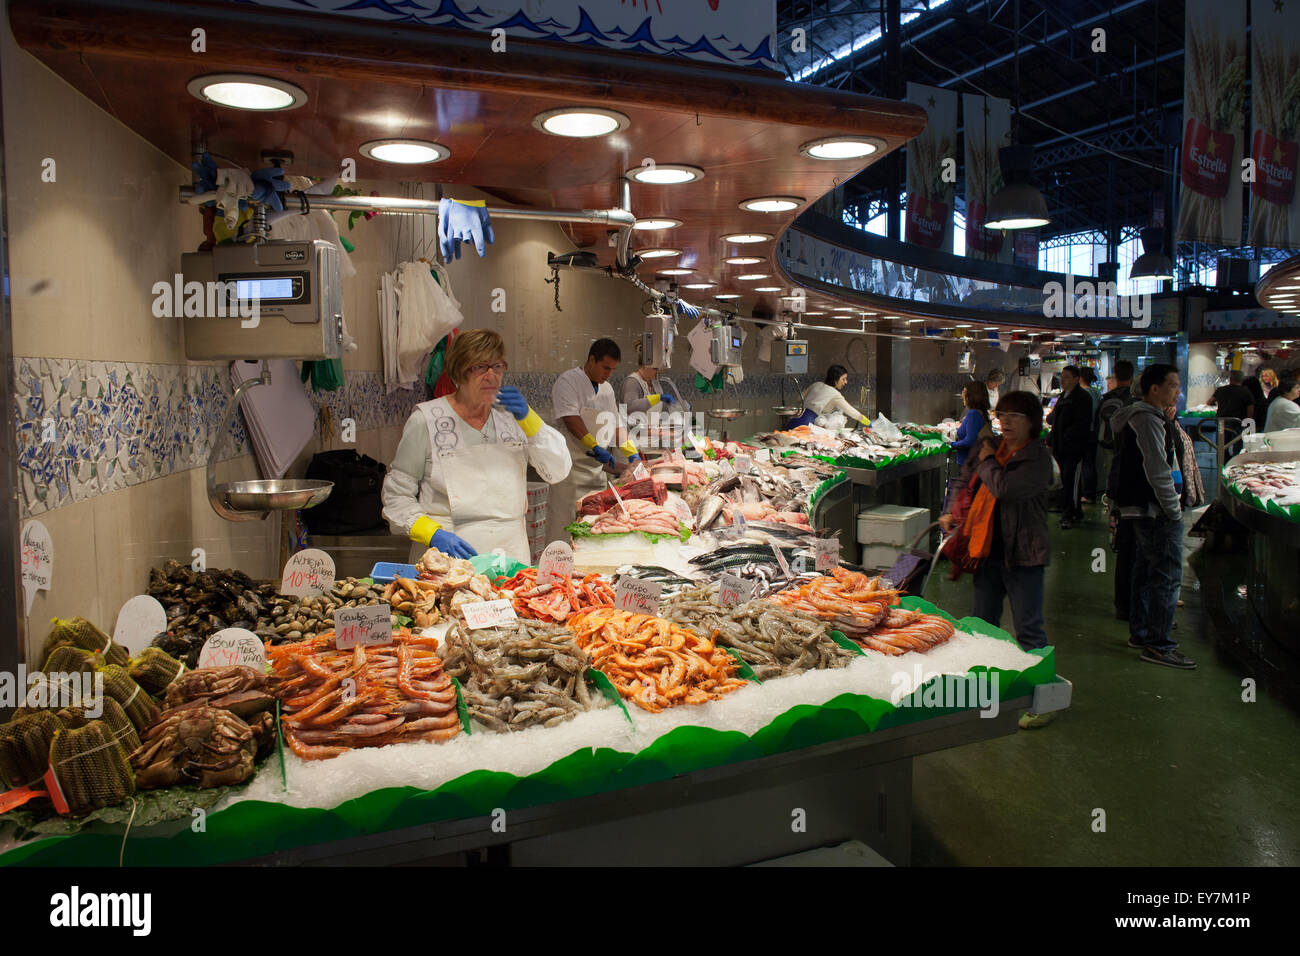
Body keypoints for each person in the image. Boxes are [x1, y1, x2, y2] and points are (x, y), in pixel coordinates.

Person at [381, 329, 571, 563]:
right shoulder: (427, 420)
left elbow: (558, 470)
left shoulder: (513, 420)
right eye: (480, 367)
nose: (491, 376)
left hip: (510, 557)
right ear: (459, 372)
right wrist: (431, 533)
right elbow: (396, 495)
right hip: (447, 560)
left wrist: (530, 420)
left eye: (498, 366)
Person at [938, 391, 1053, 728]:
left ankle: (1044, 701)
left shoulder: (1036, 458)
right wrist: (949, 510)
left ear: (1032, 421)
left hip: (1024, 556)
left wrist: (988, 459)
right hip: (985, 552)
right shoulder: (992, 448)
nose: (1006, 423)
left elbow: (1004, 488)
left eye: (1014, 417)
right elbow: (964, 479)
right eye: (1002, 415)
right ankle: (980, 694)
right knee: (982, 626)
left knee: (1029, 631)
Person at [1109, 363, 1196, 669]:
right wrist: (1173, 509)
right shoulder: (1146, 419)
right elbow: (1158, 468)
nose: (1178, 390)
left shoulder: (1146, 416)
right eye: (1173, 385)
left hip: (1144, 507)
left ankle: (1142, 633)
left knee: (1145, 571)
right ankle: (1158, 645)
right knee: (1166, 576)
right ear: (1154, 389)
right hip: (1154, 509)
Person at [548, 338, 642, 544]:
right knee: (565, 528)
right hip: (569, 472)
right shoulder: (569, 382)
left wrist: (631, 453)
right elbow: (571, 420)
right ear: (592, 359)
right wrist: (594, 446)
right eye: (605, 368)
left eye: (612, 369)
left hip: (596, 471)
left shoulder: (606, 389)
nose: (608, 374)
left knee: (593, 527)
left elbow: (616, 425)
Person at [1099, 360, 1138, 621]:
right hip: (1135, 500)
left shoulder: (1111, 402)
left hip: (1124, 493)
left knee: (1127, 551)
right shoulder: (1141, 420)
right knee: (1131, 551)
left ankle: (1127, 602)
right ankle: (1129, 604)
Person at [1045, 365, 1091, 528]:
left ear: (1076, 379)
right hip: (1060, 447)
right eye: (1062, 377)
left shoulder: (1082, 398)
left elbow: (1081, 424)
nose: (1062, 380)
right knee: (1065, 479)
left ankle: (1069, 513)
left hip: (1074, 448)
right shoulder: (1063, 396)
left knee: (1071, 480)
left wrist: (1065, 436)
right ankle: (1071, 508)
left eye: (1066, 377)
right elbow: (1053, 419)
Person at [788, 364, 870, 429]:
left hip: (795, 418)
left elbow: (799, 399)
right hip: (807, 424)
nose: (846, 382)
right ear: (835, 379)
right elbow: (851, 412)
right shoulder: (835, 394)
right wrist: (868, 422)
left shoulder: (816, 384)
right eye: (843, 379)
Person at [1210, 369, 1255, 456]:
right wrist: (1249, 424)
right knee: (1238, 447)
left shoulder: (1221, 390)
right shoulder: (1246, 392)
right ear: (1242, 380)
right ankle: (1234, 463)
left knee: (1221, 448)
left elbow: (1209, 402)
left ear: (1230, 379)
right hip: (1238, 423)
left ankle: (1221, 464)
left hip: (1222, 423)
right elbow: (1250, 411)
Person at [950, 381, 993, 467]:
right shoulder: (981, 412)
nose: (962, 396)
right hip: (976, 463)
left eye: (964, 392)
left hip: (969, 464)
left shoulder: (973, 414)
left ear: (971, 396)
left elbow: (969, 441)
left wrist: (951, 445)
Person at [1079, 367, 1103, 502]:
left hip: (1086, 432)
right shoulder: (1096, 392)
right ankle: (1091, 492)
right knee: (1091, 463)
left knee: (1087, 464)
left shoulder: (1084, 393)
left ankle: (1088, 494)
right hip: (1096, 432)